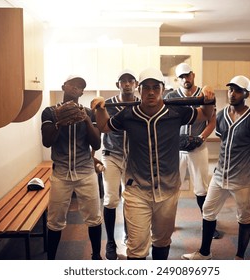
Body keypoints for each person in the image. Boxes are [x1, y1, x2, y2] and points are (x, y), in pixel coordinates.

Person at [91, 68, 215, 260]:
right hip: (137, 191)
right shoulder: (129, 115)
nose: (151, 92)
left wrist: (208, 96)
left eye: (155, 87)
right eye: (146, 87)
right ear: (138, 90)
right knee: (136, 248)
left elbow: (205, 114)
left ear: (163, 89)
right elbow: (104, 126)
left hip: (168, 191)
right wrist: (100, 108)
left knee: (162, 241)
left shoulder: (176, 112)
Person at [181, 75, 250, 260]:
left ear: (245, 93)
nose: (232, 93)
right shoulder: (220, 116)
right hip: (220, 176)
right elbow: (225, 141)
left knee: (244, 217)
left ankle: (239, 257)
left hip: (242, 179)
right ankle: (205, 253)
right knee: (208, 211)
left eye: (237, 90)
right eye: (230, 89)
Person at [41, 75, 103, 260]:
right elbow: (46, 142)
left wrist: (84, 119)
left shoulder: (88, 113)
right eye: (73, 85)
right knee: (55, 220)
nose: (76, 88)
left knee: (94, 217)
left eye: (80, 87)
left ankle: (96, 257)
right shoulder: (50, 112)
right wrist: (59, 122)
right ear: (64, 86)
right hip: (61, 173)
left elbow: (97, 144)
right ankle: (50, 260)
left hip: (85, 172)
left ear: (83, 92)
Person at [165, 63, 220, 239]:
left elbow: (211, 121)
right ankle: (168, 224)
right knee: (172, 188)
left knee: (201, 189)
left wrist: (200, 138)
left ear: (193, 75)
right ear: (177, 79)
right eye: (181, 77)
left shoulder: (205, 94)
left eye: (187, 75)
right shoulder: (172, 96)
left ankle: (208, 225)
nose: (185, 79)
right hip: (177, 149)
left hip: (198, 146)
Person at [96, 69, 140, 260]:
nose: (127, 84)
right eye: (123, 81)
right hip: (112, 155)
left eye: (131, 80)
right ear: (118, 85)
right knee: (111, 200)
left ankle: (128, 235)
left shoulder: (141, 104)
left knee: (130, 199)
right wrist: (92, 156)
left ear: (136, 84)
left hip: (134, 158)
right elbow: (98, 128)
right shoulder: (109, 104)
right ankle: (111, 242)